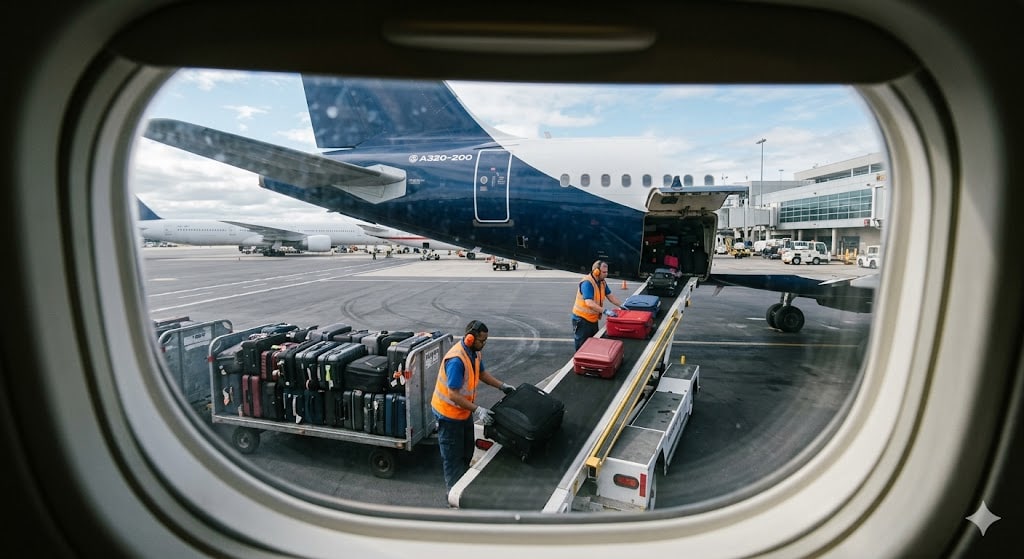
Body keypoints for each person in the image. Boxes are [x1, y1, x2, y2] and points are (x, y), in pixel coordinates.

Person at [431, 320, 516, 496]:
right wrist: (478, 410)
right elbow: (453, 395)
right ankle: (453, 498)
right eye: (482, 341)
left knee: (466, 454)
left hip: (463, 413)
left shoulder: (474, 353)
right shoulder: (457, 360)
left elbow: (482, 374)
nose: (484, 344)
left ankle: (463, 488)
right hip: (449, 416)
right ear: (470, 339)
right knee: (453, 460)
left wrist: (502, 386)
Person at [571, 259, 625, 350]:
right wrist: (605, 311)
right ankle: (581, 363)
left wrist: (622, 305)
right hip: (582, 320)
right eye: (604, 272)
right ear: (596, 271)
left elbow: (610, 296)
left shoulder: (602, 282)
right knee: (582, 345)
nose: (606, 274)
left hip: (593, 319)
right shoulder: (587, 283)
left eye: (607, 272)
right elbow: (589, 303)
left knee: (593, 344)